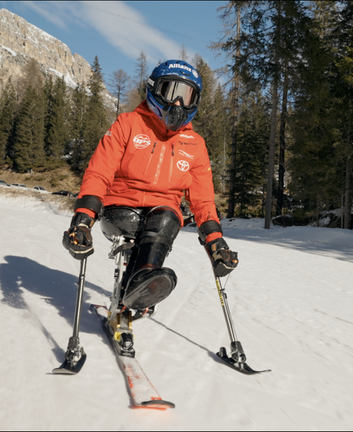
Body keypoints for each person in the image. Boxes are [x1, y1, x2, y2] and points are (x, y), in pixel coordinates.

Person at [62, 59, 238, 319]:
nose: (177, 104)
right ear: (155, 90)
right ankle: (141, 286)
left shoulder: (195, 144)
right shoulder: (128, 124)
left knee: (167, 217)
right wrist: (83, 220)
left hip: (162, 213)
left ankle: (142, 283)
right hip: (120, 207)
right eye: (170, 92)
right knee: (144, 222)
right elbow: (100, 171)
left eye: (186, 96)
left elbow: (202, 200)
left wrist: (216, 241)